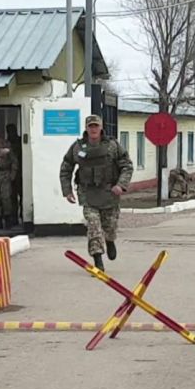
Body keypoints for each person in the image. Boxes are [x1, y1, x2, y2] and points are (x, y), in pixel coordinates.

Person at [59, 114, 133, 271]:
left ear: (101, 128)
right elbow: (66, 167)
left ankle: (110, 240)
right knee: (93, 226)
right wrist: (67, 190)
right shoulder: (78, 147)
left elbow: (127, 165)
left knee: (110, 226)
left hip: (109, 193)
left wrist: (121, 185)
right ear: (86, 128)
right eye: (90, 126)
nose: (93, 129)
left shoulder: (112, 146)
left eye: (96, 126)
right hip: (87, 193)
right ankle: (98, 260)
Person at [0, 127, 19, 229]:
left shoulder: (5, 144)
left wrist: (13, 174)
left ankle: (8, 219)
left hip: (5, 173)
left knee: (6, 197)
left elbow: (14, 160)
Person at [6, 123, 22, 225]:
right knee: (11, 197)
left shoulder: (19, 142)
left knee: (19, 195)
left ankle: (20, 216)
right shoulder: (6, 143)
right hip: (11, 173)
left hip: (19, 172)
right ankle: (14, 217)